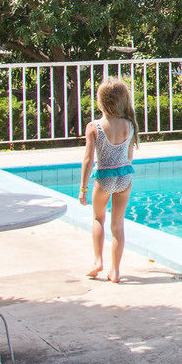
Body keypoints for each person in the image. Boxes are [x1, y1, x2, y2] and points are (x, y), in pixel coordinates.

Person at [79, 77, 136, 282]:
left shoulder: (94, 126)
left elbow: (88, 160)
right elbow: (129, 156)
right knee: (117, 226)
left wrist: (83, 188)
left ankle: (97, 262)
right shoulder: (129, 125)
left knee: (98, 218)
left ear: (100, 101)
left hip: (104, 177)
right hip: (124, 176)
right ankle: (116, 271)